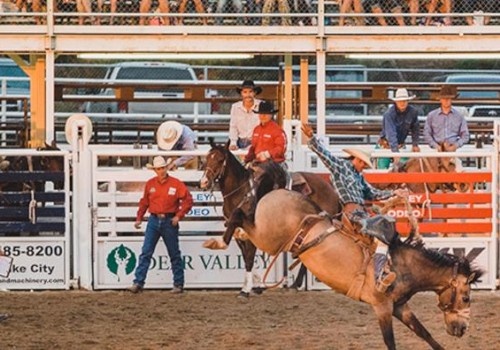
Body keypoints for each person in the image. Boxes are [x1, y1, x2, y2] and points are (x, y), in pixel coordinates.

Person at [302, 123, 408, 294]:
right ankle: (379, 275)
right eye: (363, 164)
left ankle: (381, 270)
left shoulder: (359, 177)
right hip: (351, 212)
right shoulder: (341, 168)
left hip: (360, 212)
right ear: (356, 160)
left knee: (385, 230)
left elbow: (373, 193)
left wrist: (394, 192)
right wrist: (312, 138)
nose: (364, 167)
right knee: (382, 230)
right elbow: (325, 156)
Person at [129, 156, 194, 294]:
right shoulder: (150, 184)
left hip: (169, 220)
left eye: (163, 168)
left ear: (166, 168)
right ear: (155, 170)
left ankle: (178, 283)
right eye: (158, 169)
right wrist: (139, 217)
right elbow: (144, 202)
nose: (161, 171)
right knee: (146, 251)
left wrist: (178, 216)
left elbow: (188, 200)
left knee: (173, 253)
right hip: (154, 220)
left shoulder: (175, 184)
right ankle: (138, 282)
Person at [377, 88, 420, 169]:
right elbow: (391, 133)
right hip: (385, 145)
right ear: (396, 102)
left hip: (400, 145)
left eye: (404, 101)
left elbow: (415, 128)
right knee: (382, 170)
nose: (402, 103)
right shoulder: (389, 114)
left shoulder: (413, 112)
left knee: (405, 168)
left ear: (407, 101)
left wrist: (415, 144)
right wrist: (396, 152)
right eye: (400, 101)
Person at [424, 85, 470, 150]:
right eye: (444, 98)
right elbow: (427, 134)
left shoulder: (459, 116)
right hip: (435, 149)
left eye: (448, 98)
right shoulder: (431, 115)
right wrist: (436, 146)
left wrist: (455, 146)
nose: (446, 100)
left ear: (451, 99)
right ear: (440, 100)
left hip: (454, 149)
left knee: (456, 160)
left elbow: (465, 136)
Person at [244, 101, 287, 166]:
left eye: (266, 113)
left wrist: (267, 154)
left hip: (274, 164)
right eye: (261, 113)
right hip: (258, 163)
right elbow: (253, 148)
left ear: (271, 115)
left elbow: (281, 148)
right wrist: (246, 160)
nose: (263, 116)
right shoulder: (256, 129)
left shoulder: (277, 130)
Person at [229, 80, 262, 151]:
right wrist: (233, 143)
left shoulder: (261, 105)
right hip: (240, 142)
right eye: (245, 92)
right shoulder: (235, 107)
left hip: (257, 143)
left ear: (254, 93)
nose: (248, 95)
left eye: (250, 92)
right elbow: (233, 126)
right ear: (241, 93)